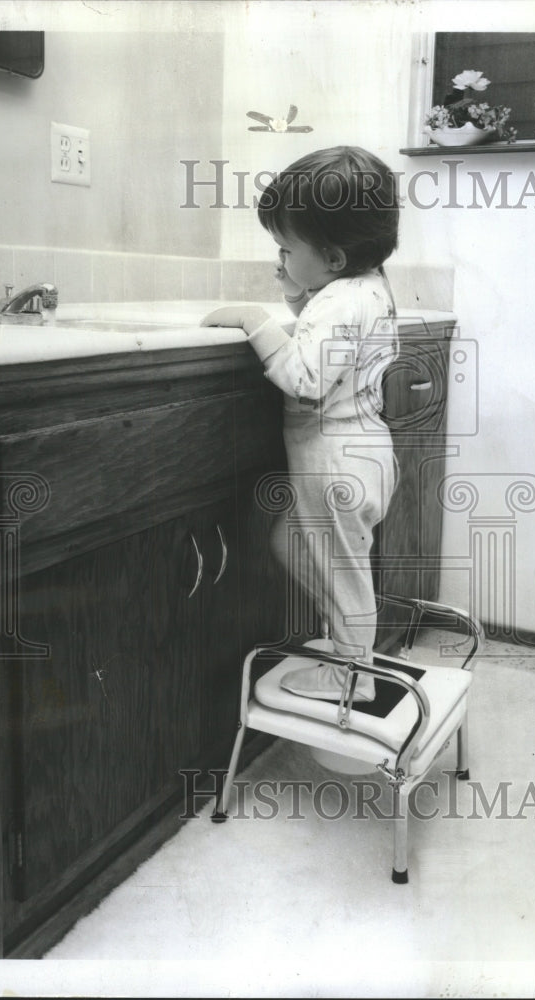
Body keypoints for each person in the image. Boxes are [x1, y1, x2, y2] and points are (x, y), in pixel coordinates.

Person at [201, 145, 400, 702]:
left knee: (342, 578)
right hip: (364, 453)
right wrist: (297, 292)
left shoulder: (338, 300)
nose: (281, 258)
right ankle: (346, 646)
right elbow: (325, 343)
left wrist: (254, 319)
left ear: (333, 258)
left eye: (286, 248)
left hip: (332, 461)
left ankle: (350, 673)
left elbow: (307, 377)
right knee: (293, 542)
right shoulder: (367, 287)